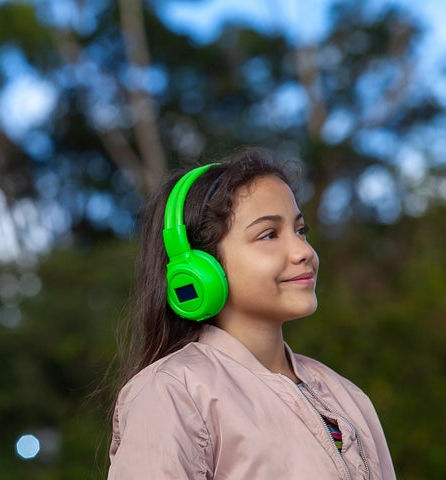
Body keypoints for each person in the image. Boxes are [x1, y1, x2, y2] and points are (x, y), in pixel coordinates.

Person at [107, 147, 396, 479]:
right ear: (201, 269)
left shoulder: (346, 395)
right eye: (269, 234)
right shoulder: (172, 392)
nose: (303, 251)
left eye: (300, 230)